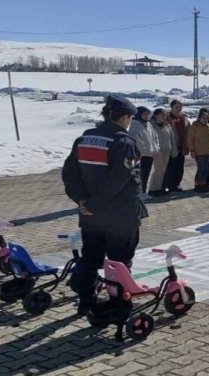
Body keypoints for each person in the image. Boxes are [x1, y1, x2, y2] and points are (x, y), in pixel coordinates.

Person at [61, 95, 148, 314]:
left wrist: (82, 202)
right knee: (119, 261)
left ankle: (86, 301)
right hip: (119, 216)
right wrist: (94, 203)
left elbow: (70, 175)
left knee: (90, 258)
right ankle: (119, 303)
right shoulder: (123, 143)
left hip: (90, 216)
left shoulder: (84, 139)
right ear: (125, 117)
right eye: (130, 118)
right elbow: (118, 181)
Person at [128, 107, 158, 199]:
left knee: (146, 174)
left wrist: (156, 147)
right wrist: (145, 150)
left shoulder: (148, 124)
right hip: (141, 155)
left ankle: (144, 191)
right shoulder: (134, 124)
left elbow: (155, 136)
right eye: (145, 114)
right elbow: (136, 140)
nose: (147, 116)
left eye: (148, 114)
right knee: (139, 174)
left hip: (150, 153)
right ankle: (139, 192)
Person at [163, 100, 190, 193]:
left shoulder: (184, 117)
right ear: (172, 107)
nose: (179, 109)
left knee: (180, 167)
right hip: (171, 145)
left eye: (180, 107)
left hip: (182, 145)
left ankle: (177, 184)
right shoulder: (167, 118)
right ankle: (168, 185)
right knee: (170, 167)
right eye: (176, 107)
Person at [186, 111, 209, 193]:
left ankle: (203, 184)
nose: (205, 120)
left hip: (208, 151)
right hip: (198, 151)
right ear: (199, 117)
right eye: (203, 118)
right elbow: (190, 139)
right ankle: (197, 185)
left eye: (207, 118)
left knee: (206, 169)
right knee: (201, 168)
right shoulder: (194, 127)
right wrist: (192, 150)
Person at [148, 109, 176, 197]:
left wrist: (174, 150)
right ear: (156, 115)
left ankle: (161, 188)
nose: (164, 117)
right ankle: (153, 189)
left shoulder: (167, 125)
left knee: (163, 170)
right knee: (158, 170)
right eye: (162, 115)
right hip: (157, 150)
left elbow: (172, 138)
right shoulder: (150, 125)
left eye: (165, 115)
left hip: (167, 150)